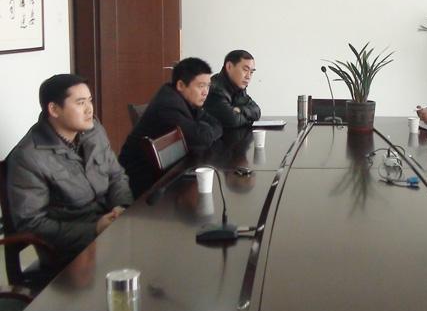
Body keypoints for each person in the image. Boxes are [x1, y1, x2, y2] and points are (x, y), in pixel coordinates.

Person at [7, 74, 133, 265]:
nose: (89, 109)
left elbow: (116, 175)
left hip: (112, 231)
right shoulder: (29, 157)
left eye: (90, 101)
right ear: (54, 109)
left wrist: (121, 206)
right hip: (71, 251)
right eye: (80, 103)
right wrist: (94, 229)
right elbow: (32, 223)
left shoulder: (94, 130)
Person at [119, 57, 223, 198]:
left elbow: (217, 124)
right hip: (142, 183)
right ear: (181, 85)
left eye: (208, 86)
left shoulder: (187, 99)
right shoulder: (169, 104)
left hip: (167, 173)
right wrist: (207, 130)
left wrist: (206, 130)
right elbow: (202, 138)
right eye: (200, 86)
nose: (205, 92)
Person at [204, 50, 261, 128]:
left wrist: (240, 110)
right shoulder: (214, 89)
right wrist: (249, 117)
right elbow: (233, 120)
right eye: (245, 70)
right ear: (229, 67)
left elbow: (257, 111)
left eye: (251, 72)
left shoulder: (238, 87)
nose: (248, 76)